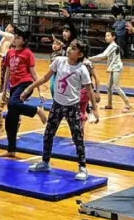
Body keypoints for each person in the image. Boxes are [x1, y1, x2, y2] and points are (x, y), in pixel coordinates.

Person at [22, 40, 99, 180]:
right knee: (48, 134)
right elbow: (45, 77)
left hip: (72, 107)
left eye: (74, 48)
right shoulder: (59, 61)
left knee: (77, 137)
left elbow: (89, 90)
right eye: (70, 46)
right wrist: (29, 88)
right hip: (57, 105)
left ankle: (82, 167)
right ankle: (45, 162)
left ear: (80, 54)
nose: (69, 49)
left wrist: (95, 110)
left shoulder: (82, 69)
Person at [1, 30, 47, 156]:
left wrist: (40, 90)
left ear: (24, 40)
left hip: (26, 84)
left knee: (13, 104)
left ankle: (37, 110)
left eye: (18, 38)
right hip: (14, 86)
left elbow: (34, 73)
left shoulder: (27, 53)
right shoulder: (10, 52)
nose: (15, 39)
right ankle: (11, 150)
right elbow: (7, 72)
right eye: (15, 37)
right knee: (10, 118)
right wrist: (4, 90)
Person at [90, 30, 132, 111]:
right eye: (106, 36)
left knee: (116, 86)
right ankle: (109, 104)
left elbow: (103, 56)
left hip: (117, 68)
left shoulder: (113, 46)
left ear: (113, 37)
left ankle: (127, 104)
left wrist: (90, 58)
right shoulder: (111, 46)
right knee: (109, 86)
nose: (106, 37)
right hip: (112, 67)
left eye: (108, 36)